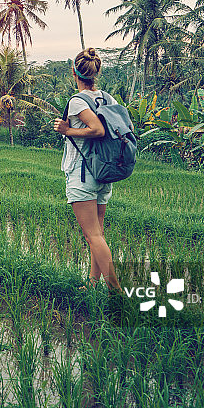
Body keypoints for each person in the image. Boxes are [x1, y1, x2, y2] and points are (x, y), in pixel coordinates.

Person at [53, 48, 121, 291]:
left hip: (83, 174)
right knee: (98, 234)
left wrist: (67, 130)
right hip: (103, 172)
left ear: (74, 73)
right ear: (96, 72)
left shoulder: (77, 101)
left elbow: (98, 130)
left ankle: (116, 291)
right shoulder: (108, 99)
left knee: (93, 235)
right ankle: (92, 285)